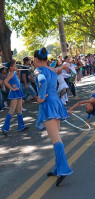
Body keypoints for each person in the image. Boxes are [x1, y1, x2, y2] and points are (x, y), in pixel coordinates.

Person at [34, 47, 73, 187]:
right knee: (56, 137)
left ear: (36, 59)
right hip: (56, 101)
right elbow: (58, 71)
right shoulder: (51, 69)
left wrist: (40, 98)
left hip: (48, 104)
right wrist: (62, 66)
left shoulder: (38, 70)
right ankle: (58, 169)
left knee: (56, 140)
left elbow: (42, 81)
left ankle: (63, 169)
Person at [2, 60, 29, 137]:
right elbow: (5, 82)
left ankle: (21, 126)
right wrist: (12, 88)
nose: (16, 67)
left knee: (19, 110)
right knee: (12, 110)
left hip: (18, 91)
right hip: (14, 93)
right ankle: (5, 128)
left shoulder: (14, 73)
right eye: (14, 66)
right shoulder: (11, 74)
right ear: (11, 67)